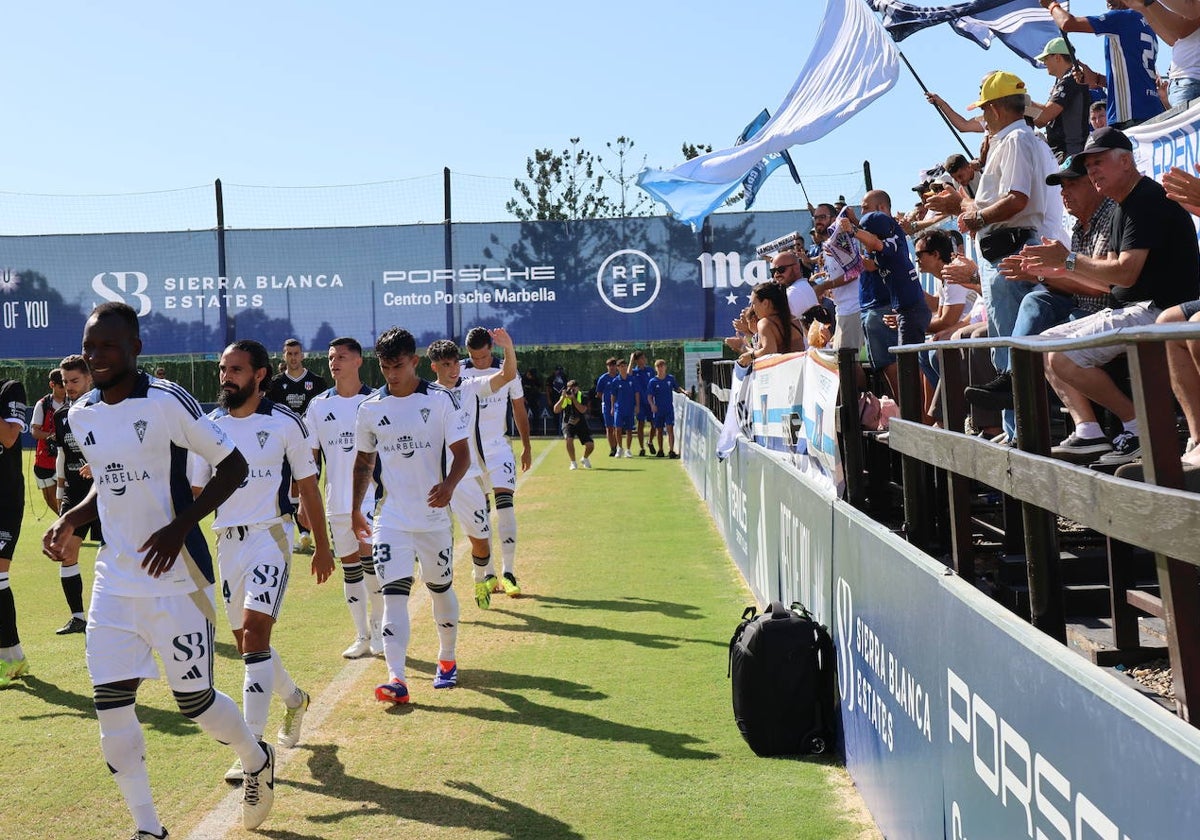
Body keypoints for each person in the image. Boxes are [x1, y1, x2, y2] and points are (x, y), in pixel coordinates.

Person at [42, 302, 275, 836]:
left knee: (195, 702)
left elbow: (233, 465)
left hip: (178, 578)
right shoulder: (83, 413)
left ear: (135, 349)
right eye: (89, 346)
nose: (96, 356)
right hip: (116, 581)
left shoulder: (167, 401)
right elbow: (108, 479)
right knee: (110, 708)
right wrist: (73, 518)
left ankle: (255, 756)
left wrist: (179, 526)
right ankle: (149, 828)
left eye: (108, 346)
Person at [190, 339, 334, 783]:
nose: (225, 377)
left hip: (271, 535)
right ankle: (294, 699)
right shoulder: (208, 426)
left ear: (259, 375)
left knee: (255, 633)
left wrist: (323, 545)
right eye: (222, 369)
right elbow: (197, 493)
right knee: (249, 645)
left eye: (235, 370)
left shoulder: (285, 422)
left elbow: (309, 487)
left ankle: (252, 749)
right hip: (225, 541)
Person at [1019, 127, 1200, 465]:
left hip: (1159, 309)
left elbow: (1124, 272)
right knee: (1044, 345)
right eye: (1088, 167)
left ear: (1126, 162)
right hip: (1137, 307)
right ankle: (1090, 432)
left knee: (1064, 356)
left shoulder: (1146, 198)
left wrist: (1068, 261)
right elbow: (1114, 283)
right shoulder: (1123, 205)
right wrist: (1057, 269)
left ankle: (1141, 428)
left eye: (1099, 163)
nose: (1093, 172)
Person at [937, 70, 1066, 445]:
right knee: (1008, 347)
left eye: (984, 109)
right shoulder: (1022, 140)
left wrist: (974, 215)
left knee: (1010, 350)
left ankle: (1021, 435)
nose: (982, 117)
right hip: (1012, 246)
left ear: (994, 109)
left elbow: (1016, 199)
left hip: (1011, 248)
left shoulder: (1013, 141)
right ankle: (1016, 432)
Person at [352, 327, 470, 705]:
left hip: (434, 518)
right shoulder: (370, 408)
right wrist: (357, 507)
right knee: (393, 596)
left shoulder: (441, 401)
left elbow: (462, 453)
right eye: (385, 366)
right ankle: (396, 678)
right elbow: (363, 463)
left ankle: (447, 659)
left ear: (415, 362)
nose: (391, 373)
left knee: (440, 589)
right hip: (393, 519)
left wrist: (450, 485)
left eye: (398, 365)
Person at [304, 337, 386, 659]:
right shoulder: (319, 405)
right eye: (330, 356)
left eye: (341, 356)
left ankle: (379, 631)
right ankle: (361, 635)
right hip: (335, 502)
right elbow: (310, 459)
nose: (334, 361)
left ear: (358, 361)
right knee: (350, 567)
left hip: (369, 501)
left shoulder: (377, 401)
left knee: (371, 564)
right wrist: (302, 504)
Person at [426, 328, 519, 610]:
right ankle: (441, 600)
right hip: (432, 481)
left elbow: (507, 376)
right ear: (434, 367)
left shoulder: (470, 387)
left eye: (454, 362)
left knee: (480, 541)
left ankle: (480, 578)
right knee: (436, 543)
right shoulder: (425, 395)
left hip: (466, 478)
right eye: (445, 364)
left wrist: (508, 348)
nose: (452, 369)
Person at [460, 326, 532, 596]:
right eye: (473, 357)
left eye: (482, 356)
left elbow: (519, 408)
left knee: (506, 507)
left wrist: (526, 446)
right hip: (468, 456)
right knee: (481, 515)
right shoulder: (459, 373)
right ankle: (489, 573)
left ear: (491, 348)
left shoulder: (507, 371)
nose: (478, 362)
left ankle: (509, 572)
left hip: (498, 449)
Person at [1042, 0, 1163, 128]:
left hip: (1130, 117)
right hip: (1152, 111)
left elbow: (1067, 23)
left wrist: (1051, 5)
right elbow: (1134, 80)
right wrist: (1096, 79)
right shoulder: (1149, 25)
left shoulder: (1121, 18)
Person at [50, 355, 96, 636]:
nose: (69, 387)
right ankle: (78, 617)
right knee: (66, 551)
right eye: (65, 382)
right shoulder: (60, 415)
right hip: (75, 493)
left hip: (106, 492)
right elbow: (63, 453)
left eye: (75, 381)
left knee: (117, 553)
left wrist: (100, 463)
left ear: (89, 378)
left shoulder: (104, 409)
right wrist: (59, 488)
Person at [268, 338, 328, 554]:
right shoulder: (274, 384)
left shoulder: (317, 382)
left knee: (308, 485)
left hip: (310, 445)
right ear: (284, 356)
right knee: (287, 488)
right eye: (289, 354)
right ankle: (298, 533)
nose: (293, 358)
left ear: (302, 355)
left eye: (296, 353)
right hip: (283, 446)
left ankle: (307, 532)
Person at [0, 376, 28, 689]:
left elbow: (9, 437)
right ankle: (13, 655)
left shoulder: (10, 389)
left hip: (5, 502)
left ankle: (11, 659)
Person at [1033, 37, 1091, 162]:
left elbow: (1044, 116)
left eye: (1046, 58)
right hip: (1062, 153)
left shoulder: (1070, 80)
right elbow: (1040, 122)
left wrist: (1019, 101)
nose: (1044, 63)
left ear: (1058, 57)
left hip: (1070, 153)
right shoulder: (1064, 80)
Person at [738, 283, 805, 366]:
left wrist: (751, 355)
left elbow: (769, 351)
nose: (752, 308)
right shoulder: (794, 320)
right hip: (800, 370)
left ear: (765, 303)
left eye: (754, 303)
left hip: (780, 374)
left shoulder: (764, 323)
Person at [29, 368, 65, 514]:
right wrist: (52, 435)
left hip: (65, 458)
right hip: (44, 459)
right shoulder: (43, 404)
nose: (65, 389)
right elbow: (35, 431)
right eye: (61, 386)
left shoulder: (73, 402)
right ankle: (65, 525)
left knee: (62, 496)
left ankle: (68, 527)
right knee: (50, 499)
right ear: (52, 385)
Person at [647, 360, 684, 458]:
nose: (660, 368)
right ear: (656, 368)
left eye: (662, 366)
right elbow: (649, 396)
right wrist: (652, 405)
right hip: (658, 410)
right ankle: (660, 450)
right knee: (659, 430)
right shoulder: (653, 381)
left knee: (670, 429)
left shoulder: (670, 379)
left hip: (668, 409)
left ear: (665, 367)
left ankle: (671, 450)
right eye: (658, 367)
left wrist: (684, 392)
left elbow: (677, 388)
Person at [553, 380, 594, 470]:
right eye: (570, 387)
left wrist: (574, 399)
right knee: (569, 440)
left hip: (581, 422)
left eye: (574, 387)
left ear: (577, 388)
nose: (572, 389)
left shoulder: (582, 396)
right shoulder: (564, 396)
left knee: (590, 445)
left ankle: (585, 458)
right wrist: (562, 398)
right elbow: (556, 410)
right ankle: (573, 462)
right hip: (568, 422)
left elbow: (583, 410)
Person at [628, 350, 656, 456]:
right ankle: (641, 447)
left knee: (654, 424)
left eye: (645, 358)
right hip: (639, 402)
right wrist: (631, 360)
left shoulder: (650, 370)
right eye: (642, 358)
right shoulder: (634, 372)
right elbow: (628, 374)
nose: (644, 360)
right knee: (640, 424)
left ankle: (650, 441)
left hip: (650, 401)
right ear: (637, 360)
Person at [610, 358, 637, 457]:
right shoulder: (615, 381)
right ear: (618, 368)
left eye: (625, 366)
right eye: (621, 366)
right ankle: (619, 448)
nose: (624, 368)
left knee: (629, 429)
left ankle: (628, 450)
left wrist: (637, 405)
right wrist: (612, 408)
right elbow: (613, 395)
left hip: (629, 408)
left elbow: (636, 393)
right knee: (618, 429)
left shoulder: (631, 379)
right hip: (619, 409)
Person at [595, 358, 620, 457]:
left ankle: (619, 447)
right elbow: (599, 393)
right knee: (609, 427)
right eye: (610, 365)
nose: (612, 367)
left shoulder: (620, 377)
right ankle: (612, 448)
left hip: (619, 405)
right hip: (607, 406)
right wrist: (606, 401)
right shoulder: (603, 378)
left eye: (613, 365)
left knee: (617, 427)